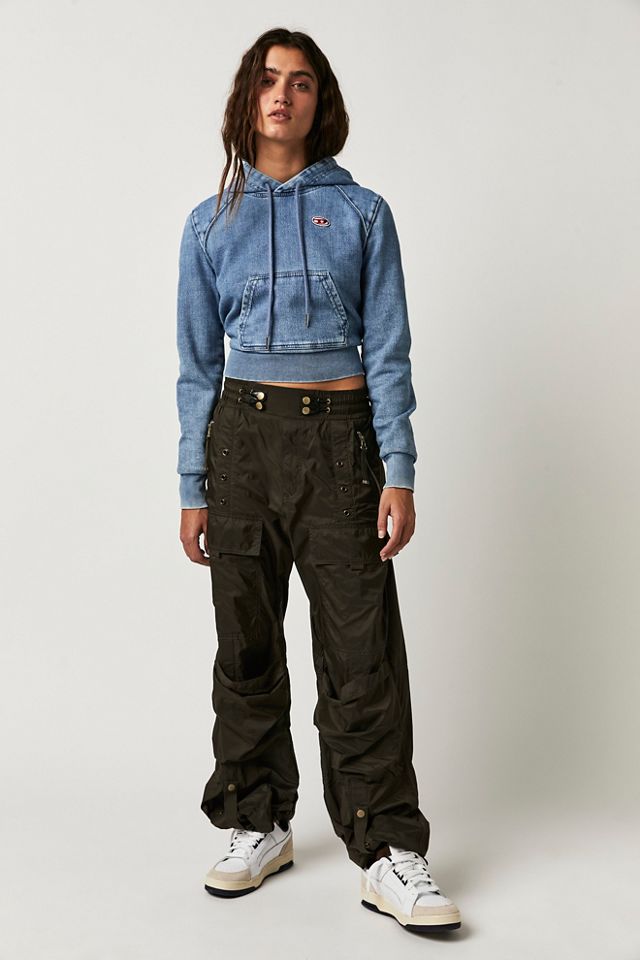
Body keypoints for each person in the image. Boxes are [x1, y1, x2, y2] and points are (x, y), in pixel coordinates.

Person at [175, 27, 461, 934]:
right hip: (241, 445)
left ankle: (387, 848)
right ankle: (256, 820)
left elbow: (390, 351)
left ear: (319, 101)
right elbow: (196, 366)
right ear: (247, 98)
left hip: (341, 444)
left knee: (360, 652)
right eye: (268, 79)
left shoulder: (364, 213)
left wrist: (399, 469)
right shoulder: (209, 223)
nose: (282, 94)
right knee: (246, 645)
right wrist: (193, 483)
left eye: (300, 82)